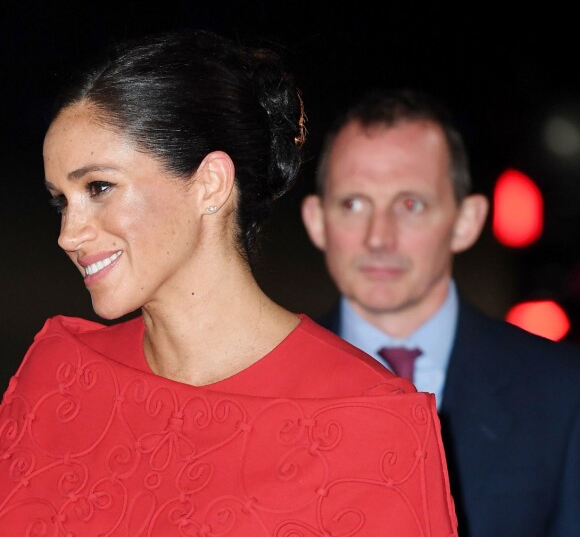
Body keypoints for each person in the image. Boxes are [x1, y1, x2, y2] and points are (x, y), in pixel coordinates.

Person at [0, 32, 457, 535]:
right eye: (61, 200)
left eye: (99, 188)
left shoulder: (367, 419)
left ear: (210, 184)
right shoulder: (58, 377)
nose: (68, 234)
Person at [301, 88, 580, 537]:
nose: (378, 237)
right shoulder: (264, 380)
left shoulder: (563, 393)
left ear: (466, 221)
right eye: (353, 204)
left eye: (410, 205)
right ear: (317, 220)